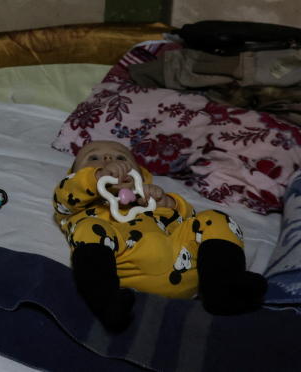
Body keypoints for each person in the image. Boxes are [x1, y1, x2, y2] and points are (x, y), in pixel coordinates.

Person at [54, 139, 267, 332]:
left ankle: (222, 288)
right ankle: (106, 302)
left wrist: (168, 204)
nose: (109, 159)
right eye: (93, 157)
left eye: (121, 157)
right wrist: (95, 178)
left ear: (139, 173)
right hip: (127, 266)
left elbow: (186, 222)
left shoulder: (148, 200)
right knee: (90, 229)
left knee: (214, 219)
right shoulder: (76, 205)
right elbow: (66, 196)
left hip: (182, 264)